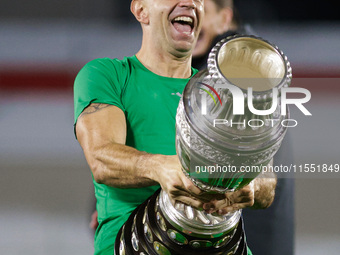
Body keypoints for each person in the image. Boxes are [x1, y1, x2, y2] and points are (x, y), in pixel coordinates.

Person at [74, 0, 277, 254]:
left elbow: (267, 182)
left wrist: (251, 186)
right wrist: (160, 167)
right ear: (140, 10)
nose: (190, 3)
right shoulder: (107, 75)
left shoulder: (225, 93)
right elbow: (101, 157)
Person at [192, 1, 295, 255]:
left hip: (245, 237)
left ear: (224, 19)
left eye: (199, 10)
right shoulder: (241, 57)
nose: (190, 19)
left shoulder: (232, 68)